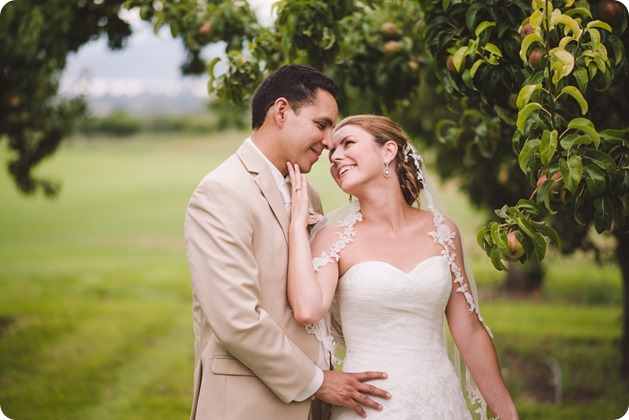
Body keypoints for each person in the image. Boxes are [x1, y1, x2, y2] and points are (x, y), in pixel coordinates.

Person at [184, 65, 390, 420]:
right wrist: (317, 381)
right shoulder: (221, 192)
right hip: (249, 405)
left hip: (318, 409)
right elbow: (236, 320)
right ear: (281, 111)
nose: (329, 142)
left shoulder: (307, 193)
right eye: (321, 124)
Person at [286, 115, 519, 420]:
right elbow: (306, 309)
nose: (336, 157)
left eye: (348, 143)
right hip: (369, 407)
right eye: (332, 155)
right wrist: (295, 226)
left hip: (439, 401)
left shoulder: (442, 231)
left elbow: (470, 330)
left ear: (389, 151)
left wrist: (506, 411)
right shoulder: (334, 238)